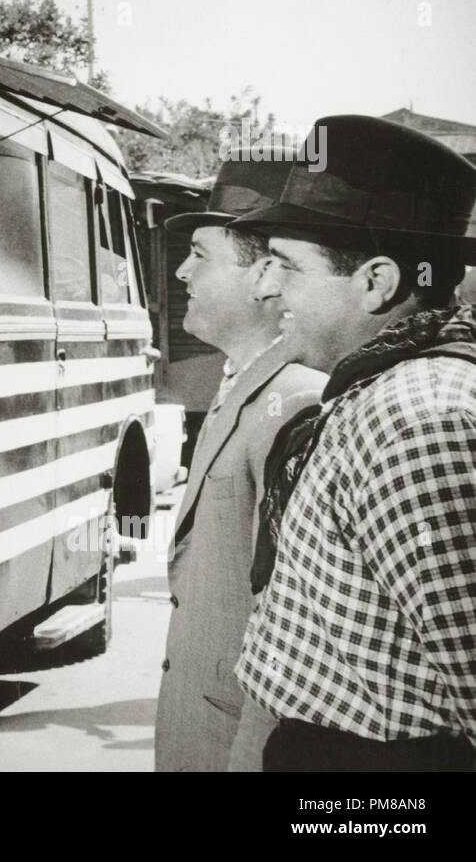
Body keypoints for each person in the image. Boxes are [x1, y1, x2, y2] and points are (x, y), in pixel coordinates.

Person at [231, 114, 476, 772]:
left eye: (285, 265)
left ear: (376, 281)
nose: (266, 286)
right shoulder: (377, 393)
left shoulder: (414, 420)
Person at [153, 157, 325, 772]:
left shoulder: (295, 400)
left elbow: (295, 626)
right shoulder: (242, 387)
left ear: (265, 275)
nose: (181, 271)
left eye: (200, 254)